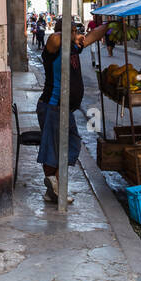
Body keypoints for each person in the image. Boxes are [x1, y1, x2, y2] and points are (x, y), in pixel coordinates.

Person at [37, 16, 109, 204]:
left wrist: (110, 25)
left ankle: (54, 187)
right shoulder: (53, 48)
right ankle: (57, 189)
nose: (78, 35)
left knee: (69, 145)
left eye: (77, 31)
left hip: (64, 108)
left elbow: (93, 35)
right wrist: (69, 35)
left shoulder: (74, 47)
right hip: (53, 106)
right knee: (56, 149)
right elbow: (54, 38)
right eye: (74, 31)